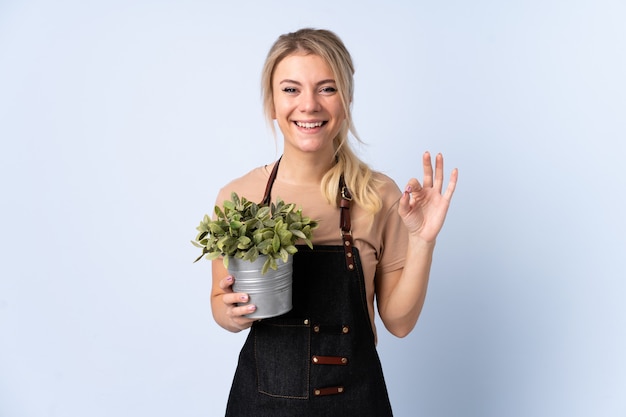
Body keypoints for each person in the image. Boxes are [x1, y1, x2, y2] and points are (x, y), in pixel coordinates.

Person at [210, 28, 458, 417]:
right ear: (272, 102)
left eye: (327, 88)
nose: (308, 105)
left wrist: (422, 241)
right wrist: (230, 312)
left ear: (347, 99)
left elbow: (399, 322)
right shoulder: (239, 199)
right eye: (291, 89)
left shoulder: (379, 196)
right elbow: (220, 307)